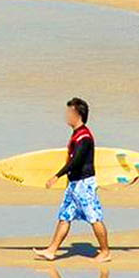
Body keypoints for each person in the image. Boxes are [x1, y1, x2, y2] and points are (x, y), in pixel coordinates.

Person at [34, 98, 111, 263]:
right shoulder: (77, 133)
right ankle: (51, 251)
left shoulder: (84, 137)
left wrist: (57, 176)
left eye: (69, 112)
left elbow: (76, 161)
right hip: (74, 183)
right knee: (65, 216)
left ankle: (105, 252)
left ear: (78, 115)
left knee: (94, 217)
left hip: (84, 184)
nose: (67, 116)